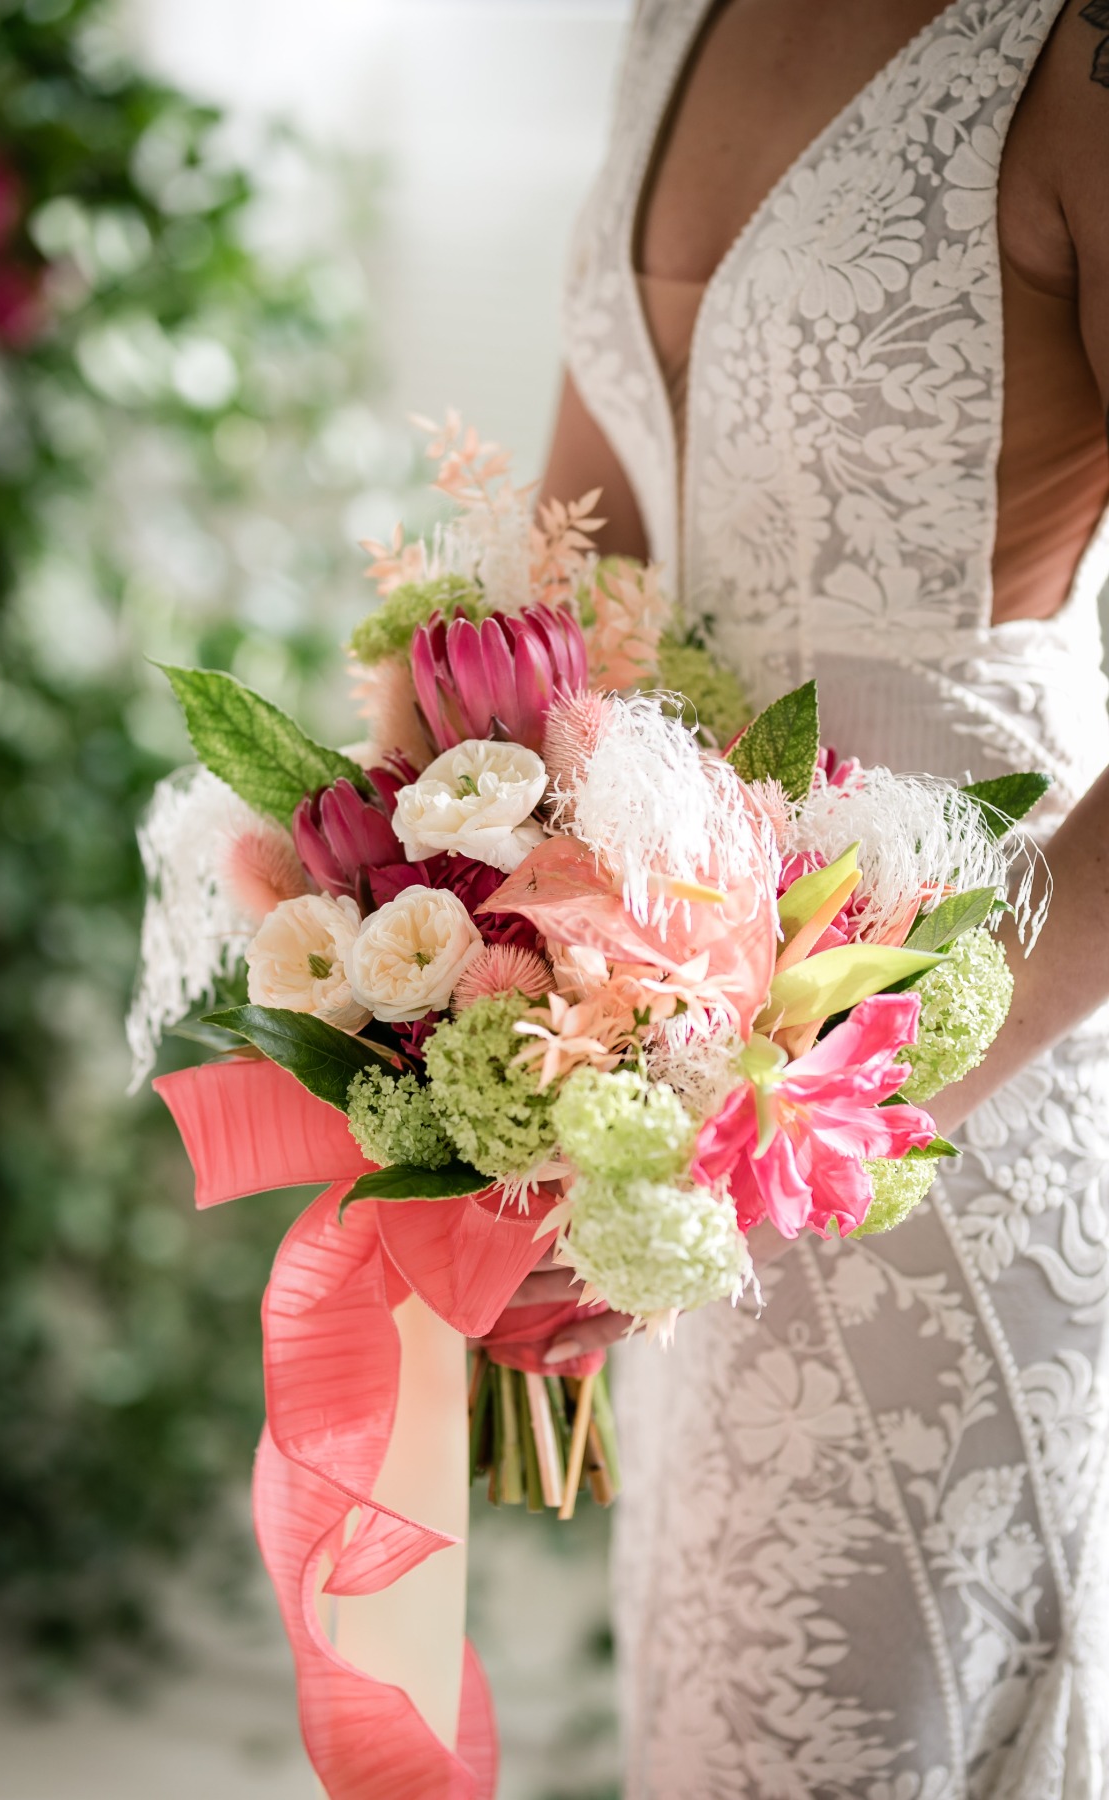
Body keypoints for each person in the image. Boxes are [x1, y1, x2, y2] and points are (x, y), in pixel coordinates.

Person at [510, 1, 1109, 1792]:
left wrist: (809, 1102)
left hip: (951, 1098)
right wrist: (447, 933)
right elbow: (586, 532)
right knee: (710, 1715)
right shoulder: (671, 15)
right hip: (656, 1046)